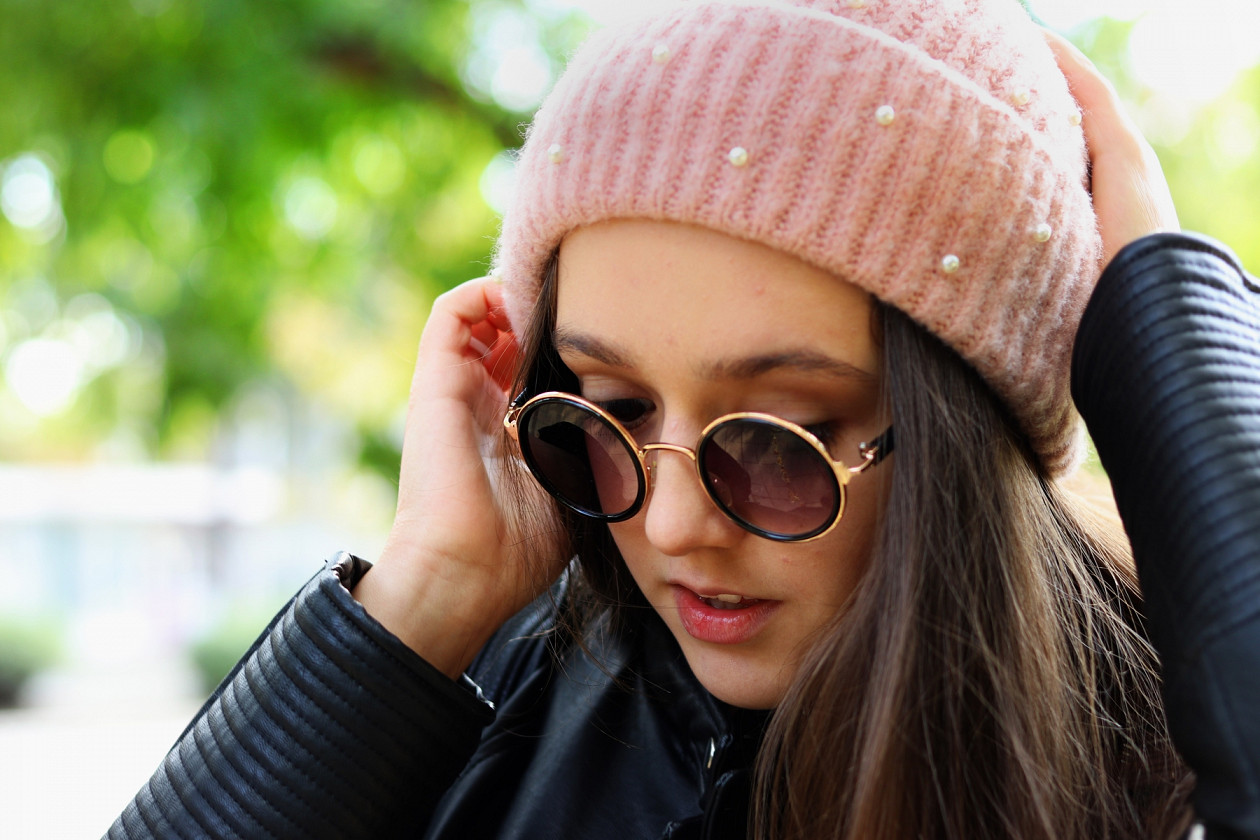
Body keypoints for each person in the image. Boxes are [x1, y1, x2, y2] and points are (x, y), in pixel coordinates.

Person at [108, 2, 1260, 839]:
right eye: (609, 410)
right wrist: (427, 594)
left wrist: (1173, 348)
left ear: (969, 438)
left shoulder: (1165, 756)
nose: (667, 526)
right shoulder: (495, 680)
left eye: (774, 441)